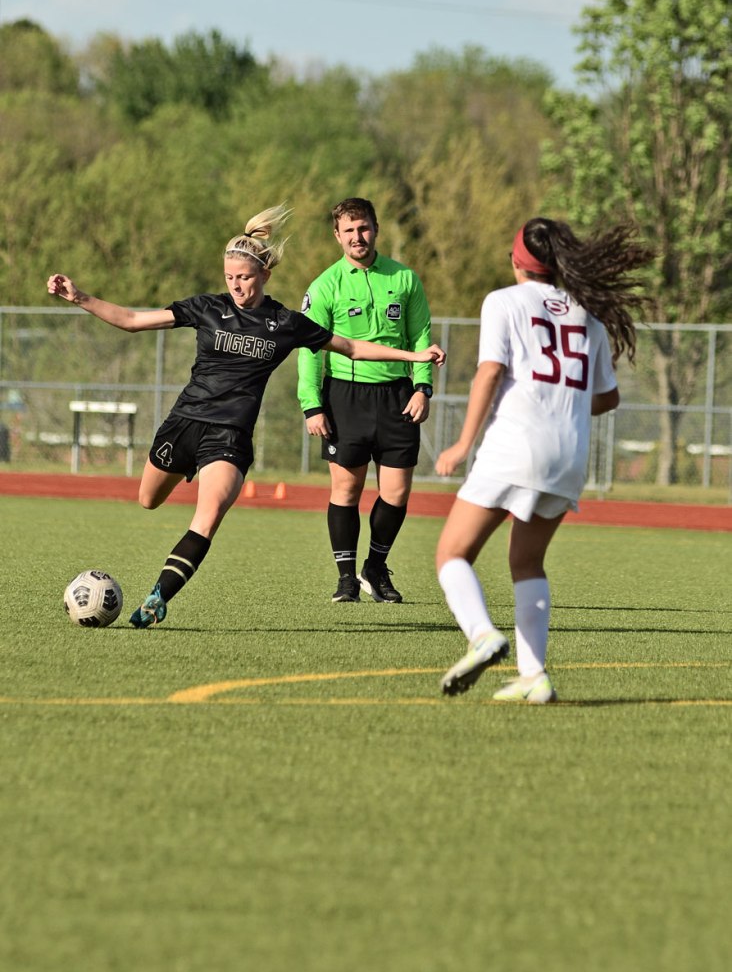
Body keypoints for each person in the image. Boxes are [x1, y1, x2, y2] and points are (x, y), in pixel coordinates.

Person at [47, 204, 445, 629]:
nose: (237, 285)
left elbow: (351, 347)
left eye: (245, 277)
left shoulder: (285, 322)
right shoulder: (206, 308)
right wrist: (80, 297)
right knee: (148, 499)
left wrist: (414, 356)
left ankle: (157, 598)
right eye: (230, 277)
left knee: (209, 516)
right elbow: (131, 320)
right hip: (184, 424)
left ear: (265, 275)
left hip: (230, 436)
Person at [435, 217, 651, 702]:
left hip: (515, 445)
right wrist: (562, 400)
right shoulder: (588, 314)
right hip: (569, 454)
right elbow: (608, 398)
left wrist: (463, 443)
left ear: (516, 260)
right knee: (527, 561)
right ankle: (534, 676)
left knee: (452, 554)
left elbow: (489, 373)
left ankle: (482, 636)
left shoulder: (503, 301)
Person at [297, 197, 435, 604]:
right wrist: (312, 404)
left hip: (398, 395)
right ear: (337, 235)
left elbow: (421, 337)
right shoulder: (325, 285)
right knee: (347, 489)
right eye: (349, 230)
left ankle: (375, 568)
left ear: (376, 229)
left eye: (364, 228)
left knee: (397, 492)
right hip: (346, 397)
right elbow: (309, 350)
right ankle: (346, 579)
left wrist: (422, 388)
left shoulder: (405, 278)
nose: (357, 236)